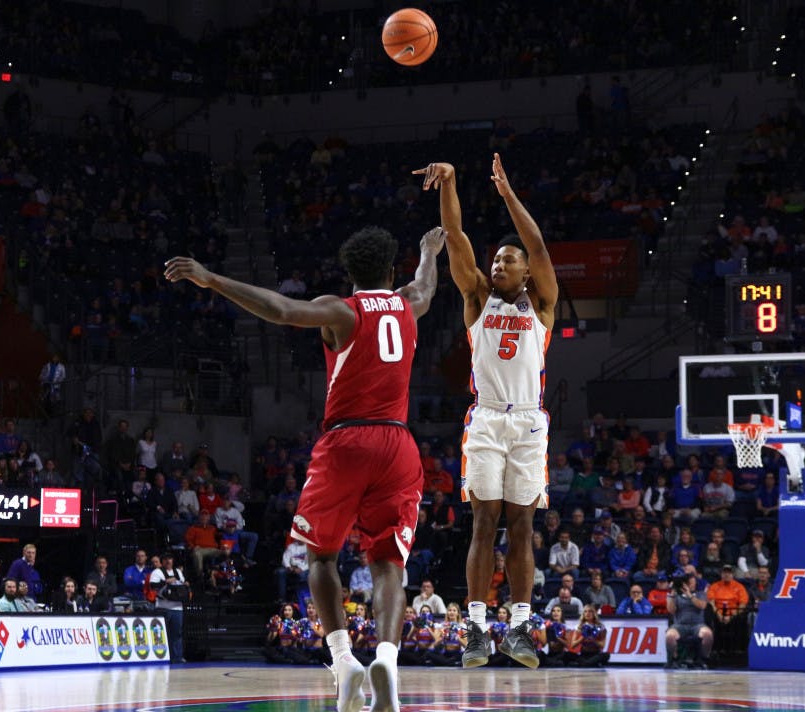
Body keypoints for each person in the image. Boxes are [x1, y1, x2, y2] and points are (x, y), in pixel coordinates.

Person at [166, 222, 444, 712]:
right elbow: (425, 285)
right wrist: (428, 252)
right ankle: (387, 659)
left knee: (322, 558)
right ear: (390, 270)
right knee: (388, 565)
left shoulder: (342, 310)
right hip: (398, 443)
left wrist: (211, 279)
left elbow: (280, 309)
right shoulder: (408, 304)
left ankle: (344, 662)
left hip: (346, 441)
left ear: (350, 273)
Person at [414, 154, 558, 672]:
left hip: (529, 422)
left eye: (507, 260)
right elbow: (455, 237)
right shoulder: (478, 297)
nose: (498, 265)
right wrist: (450, 182)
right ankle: (476, 628)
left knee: (522, 526)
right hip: (488, 419)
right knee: (483, 522)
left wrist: (507, 194)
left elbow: (538, 246)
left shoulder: (542, 303)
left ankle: (519, 626)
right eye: (495, 259)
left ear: (525, 270)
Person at [665, 571, 714, 669]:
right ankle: (675, 659)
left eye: (693, 582)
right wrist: (672, 594)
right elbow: (671, 610)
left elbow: (702, 606)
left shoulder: (700, 594)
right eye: (689, 583)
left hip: (697, 625)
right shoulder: (676, 595)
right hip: (680, 625)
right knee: (669, 636)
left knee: (708, 634)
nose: (691, 584)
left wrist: (690, 595)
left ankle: (703, 659)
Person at [38, 352, 65, 417]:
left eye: (56, 357)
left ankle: (53, 415)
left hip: (55, 386)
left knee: (55, 401)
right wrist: (45, 379)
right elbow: (41, 375)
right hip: (47, 385)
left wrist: (57, 381)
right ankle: (45, 415)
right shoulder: (47, 366)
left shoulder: (61, 367)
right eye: (54, 357)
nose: (55, 359)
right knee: (45, 401)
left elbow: (63, 376)